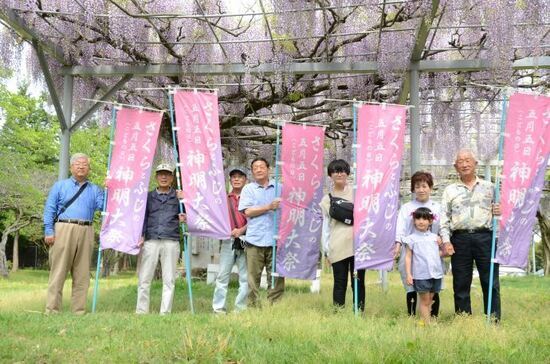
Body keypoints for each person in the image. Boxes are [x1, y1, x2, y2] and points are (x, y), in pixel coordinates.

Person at [440, 149, 501, 321]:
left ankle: (494, 319)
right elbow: (444, 218)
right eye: (460, 161)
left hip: (485, 237)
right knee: (460, 282)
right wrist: (446, 241)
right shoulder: (450, 190)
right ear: (455, 166)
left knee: (490, 282)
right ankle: (463, 320)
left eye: (468, 160)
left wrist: (500, 211)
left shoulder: (490, 187)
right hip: (459, 238)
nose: (465, 164)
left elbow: (501, 214)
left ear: (476, 164)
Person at [43, 153, 104, 314]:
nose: (81, 166)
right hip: (64, 228)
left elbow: (104, 207)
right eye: (77, 163)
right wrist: (49, 230)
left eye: (85, 164)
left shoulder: (95, 189)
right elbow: (50, 209)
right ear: (71, 167)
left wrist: (108, 189)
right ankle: (52, 309)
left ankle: (78, 310)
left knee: (82, 273)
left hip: (87, 230)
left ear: (89, 168)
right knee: (58, 271)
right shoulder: (60, 186)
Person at [136, 163, 186, 315]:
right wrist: (141, 235)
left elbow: (189, 216)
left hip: (171, 239)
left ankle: (165, 312)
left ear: (172, 178)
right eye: (160, 174)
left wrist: (185, 210)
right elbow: (142, 217)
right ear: (156, 177)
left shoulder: (179, 197)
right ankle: (141, 311)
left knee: (169, 279)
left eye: (167, 174)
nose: (164, 177)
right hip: (151, 239)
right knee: (144, 277)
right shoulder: (148, 197)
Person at [394, 171, 442, 317]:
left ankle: (432, 317)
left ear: (431, 188)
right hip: (411, 251)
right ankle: (412, 316)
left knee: (432, 284)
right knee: (411, 284)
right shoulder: (407, 207)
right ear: (413, 189)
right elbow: (400, 228)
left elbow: (443, 228)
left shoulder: (437, 207)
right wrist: (397, 244)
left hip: (431, 253)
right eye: (417, 186)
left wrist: (444, 243)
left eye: (424, 186)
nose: (421, 190)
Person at [319, 159, 365, 312]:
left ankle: (358, 312)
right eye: (335, 171)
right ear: (330, 175)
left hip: (357, 244)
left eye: (342, 170)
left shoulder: (357, 192)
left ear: (347, 173)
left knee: (358, 281)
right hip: (337, 245)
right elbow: (326, 227)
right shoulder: (327, 199)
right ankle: (338, 312)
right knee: (340, 281)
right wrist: (326, 250)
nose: (339, 174)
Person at [238, 157, 284, 307]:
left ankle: (274, 308)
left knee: (276, 278)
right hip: (254, 240)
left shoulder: (280, 188)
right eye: (255, 168)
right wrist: (268, 207)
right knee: (252, 278)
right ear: (252, 172)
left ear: (268, 169)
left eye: (261, 167)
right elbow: (247, 211)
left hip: (275, 240)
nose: (258, 169)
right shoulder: (248, 189)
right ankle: (252, 308)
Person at [212, 167, 248, 314]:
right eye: (234, 177)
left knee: (245, 277)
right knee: (222, 275)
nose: (237, 179)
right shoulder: (224, 199)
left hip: (246, 240)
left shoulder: (250, 197)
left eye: (240, 177)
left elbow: (255, 220)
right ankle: (218, 308)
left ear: (245, 179)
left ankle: (240, 308)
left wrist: (241, 231)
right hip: (228, 241)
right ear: (230, 180)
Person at [404, 207, 444, 325]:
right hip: (421, 275)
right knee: (424, 301)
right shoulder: (411, 239)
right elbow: (408, 257)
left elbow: (441, 253)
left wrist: (442, 246)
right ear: (414, 220)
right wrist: (409, 274)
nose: (421, 221)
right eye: (418, 218)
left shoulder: (435, 238)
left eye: (424, 219)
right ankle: (427, 325)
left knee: (430, 300)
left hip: (436, 274)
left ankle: (426, 321)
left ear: (430, 221)